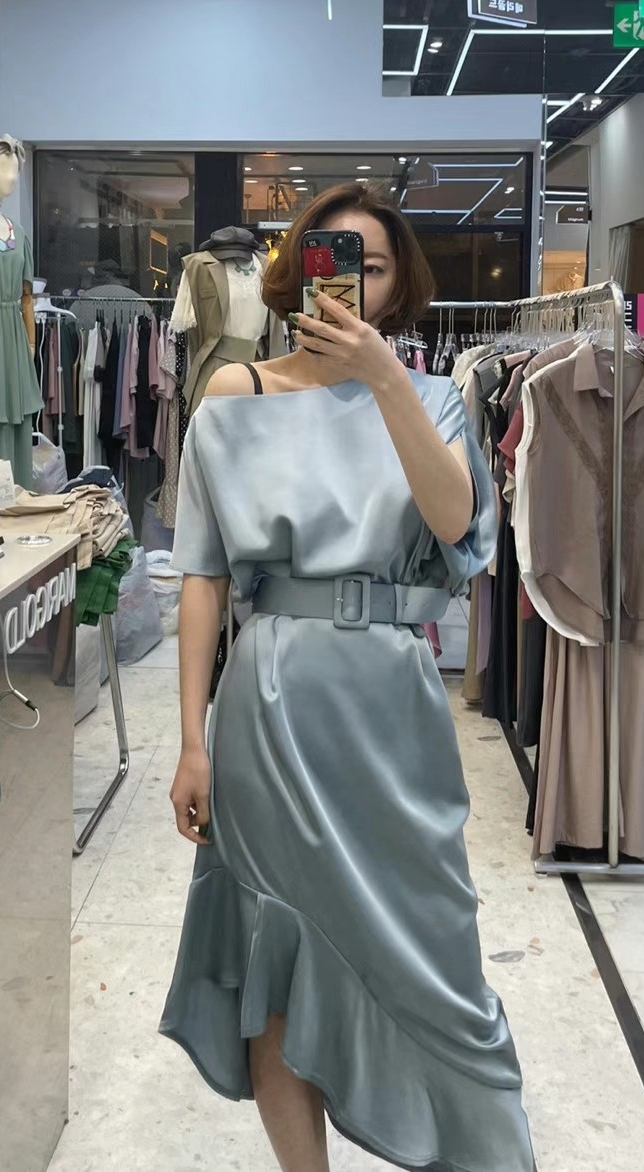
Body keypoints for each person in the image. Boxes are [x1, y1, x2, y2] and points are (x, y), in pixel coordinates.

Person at [158, 183, 535, 1172]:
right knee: (277, 959)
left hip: (393, 705)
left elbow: (457, 528)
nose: (352, 281)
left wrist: (387, 381)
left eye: (372, 265)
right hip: (271, 704)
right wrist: (192, 740)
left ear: (400, 283)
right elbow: (201, 576)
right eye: (336, 260)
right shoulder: (235, 394)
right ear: (298, 271)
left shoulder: (436, 398)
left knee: (436, 948)